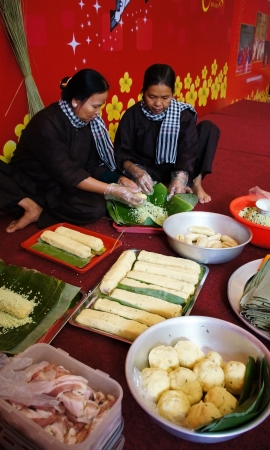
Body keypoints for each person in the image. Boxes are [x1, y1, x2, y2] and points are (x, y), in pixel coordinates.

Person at [0, 68, 144, 233]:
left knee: (95, 207)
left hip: (56, 187)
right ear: (75, 101)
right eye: (95, 106)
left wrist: (118, 179)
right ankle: (28, 205)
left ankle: (39, 210)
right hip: (27, 184)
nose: (98, 113)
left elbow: (90, 166)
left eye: (100, 106)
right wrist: (112, 190)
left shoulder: (86, 124)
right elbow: (71, 174)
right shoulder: (46, 123)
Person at [113, 64, 220, 203]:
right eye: (151, 96)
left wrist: (180, 177)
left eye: (165, 97)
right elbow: (121, 153)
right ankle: (161, 185)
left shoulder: (183, 115)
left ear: (173, 94)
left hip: (177, 167)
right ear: (143, 92)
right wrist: (137, 172)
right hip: (147, 171)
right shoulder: (132, 115)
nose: (158, 103)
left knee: (208, 129)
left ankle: (195, 183)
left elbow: (188, 152)